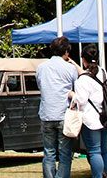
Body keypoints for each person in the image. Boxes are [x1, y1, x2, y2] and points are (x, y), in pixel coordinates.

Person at [36, 36, 79, 178]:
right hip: (63, 114)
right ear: (66, 51)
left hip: (46, 114)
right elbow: (75, 87)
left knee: (49, 152)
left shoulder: (41, 67)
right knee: (65, 154)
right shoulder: (70, 69)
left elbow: (40, 85)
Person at [74, 45, 107, 178]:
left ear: (83, 59)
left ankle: (98, 176)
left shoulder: (82, 79)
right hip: (105, 116)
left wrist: (72, 96)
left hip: (90, 119)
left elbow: (81, 100)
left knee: (94, 152)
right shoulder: (103, 72)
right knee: (105, 150)